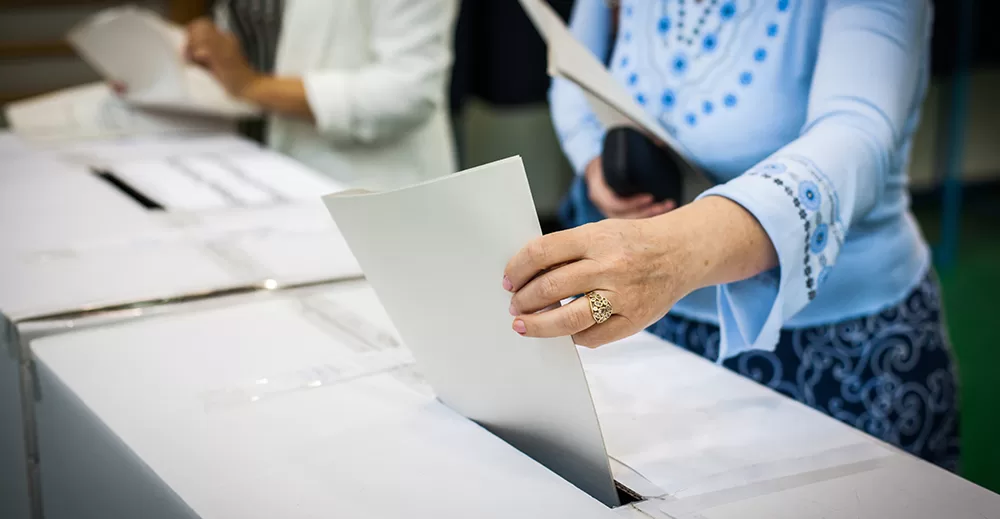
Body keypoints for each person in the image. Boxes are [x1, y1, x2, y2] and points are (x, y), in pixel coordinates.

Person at [504, 0, 959, 471]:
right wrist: (594, 163)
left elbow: (857, 133)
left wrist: (672, 252)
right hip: (657, 326)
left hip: (837, 346)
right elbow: (571, 63)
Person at [123, 0, 457, 189]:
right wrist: (177, 66)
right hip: (252, 168)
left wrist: (251, 85)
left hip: (367, 183)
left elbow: (407, 91)